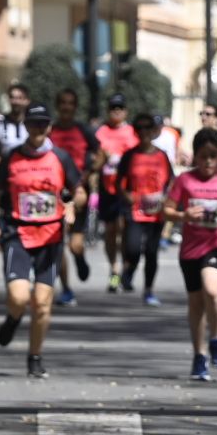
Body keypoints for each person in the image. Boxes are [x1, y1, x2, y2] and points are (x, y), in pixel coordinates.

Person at [0, 103, 85, 378]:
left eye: (43, 124)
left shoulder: (60, 157)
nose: (38, 129)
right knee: (19, 297)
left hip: (50, 235)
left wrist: (70, 206)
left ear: (50, 127)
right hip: (17, 232)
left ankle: (35, 356)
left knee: (42, 303)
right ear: (26, 127)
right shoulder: (11, 157)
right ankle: (14, 317)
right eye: (33, 124)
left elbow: (79, 191)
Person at [163, 127, 217, 381]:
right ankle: (199, 356)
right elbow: (166, 210)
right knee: (196, 303)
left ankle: (215, 339)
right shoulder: (185, 181)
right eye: (203, 156)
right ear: (195, 156)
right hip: (190, 249)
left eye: (213, 156)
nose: (209, 162)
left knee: (211, 289)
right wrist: (183, 215)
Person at [120, 112, 175, 306]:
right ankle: (129, 269)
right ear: (135, 131)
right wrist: (131, 199)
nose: (143, 132)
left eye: (147, 128)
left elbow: (171, 182)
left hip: (156, 213)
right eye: (139, 128)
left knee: (151, 252)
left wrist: (166, 200)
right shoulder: (129, 156)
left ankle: (149, 290)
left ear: (154, 131)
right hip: (135, 212)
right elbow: (120, 184)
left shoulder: (162, 156)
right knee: (133, 249)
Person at [50, 88, 100, 298]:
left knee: (75, 244)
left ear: (75, 106)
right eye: (63, 102)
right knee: (58, 242)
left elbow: (100, 154)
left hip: (77, 191)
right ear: (58, 105)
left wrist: (89, 173)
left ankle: (79, 258)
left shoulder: (84, 130)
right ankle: (66, 288)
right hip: (53, 192)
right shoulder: (49, 130)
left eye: (70, 103)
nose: (66, 107)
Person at [96, 93, 139, 290]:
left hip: (127, 189)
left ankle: (125, 268)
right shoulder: (101, 132)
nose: (116, 111)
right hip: (107, 188)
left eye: (120, 108)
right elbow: (96, 159)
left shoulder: (131, 132)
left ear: (125, 111)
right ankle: (114, 270)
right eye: (113, 108)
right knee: (111, 231)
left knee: (125, 230)